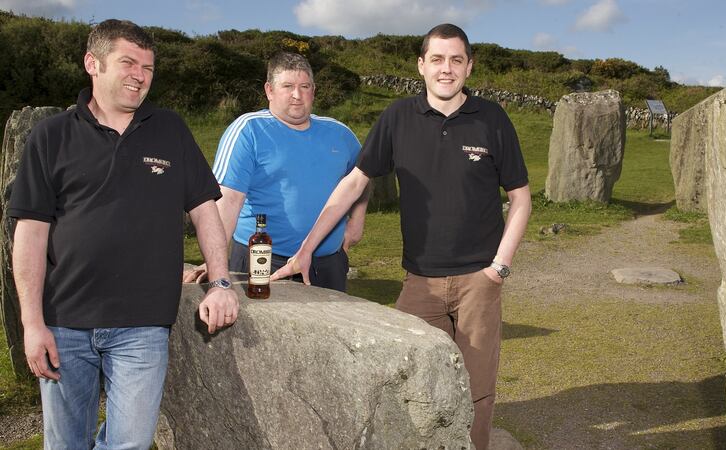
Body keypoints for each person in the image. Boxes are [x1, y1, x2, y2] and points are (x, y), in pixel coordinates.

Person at [272, 24, 531, 449]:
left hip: (479, 283)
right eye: (437, 59)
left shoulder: (492, 119)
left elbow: (520, 199)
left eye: (455, 60)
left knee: (478, 393)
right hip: (418, 284)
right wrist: (306, 248)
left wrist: (498, 268)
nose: (446, 69)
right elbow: (354, 183)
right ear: (421, 65)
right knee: (412, 389)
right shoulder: (397, 117)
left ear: (469, 66)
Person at [10, 19, 239, 450]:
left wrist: (221, 281)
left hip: (143, 324)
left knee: (129, 443)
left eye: (148, 68)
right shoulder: (50, 137)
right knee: (65, 444)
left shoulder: (171, 130)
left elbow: (206, 210)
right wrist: (32, 323)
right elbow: (30, 234)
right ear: (92, 63)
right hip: (64, 322)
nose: (140, 76)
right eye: (128, 63)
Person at [183, 52, 367, 293]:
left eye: (305, 86)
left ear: (314, 90)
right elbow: (227, 200)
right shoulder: (248, 130)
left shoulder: (341, 134)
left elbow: (361, 178)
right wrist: (214, 261)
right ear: (269, 90)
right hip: (262, 261)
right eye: (288, 86)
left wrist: (357, 221)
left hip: (327, 262)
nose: (297, 95)